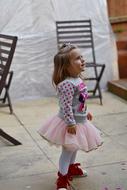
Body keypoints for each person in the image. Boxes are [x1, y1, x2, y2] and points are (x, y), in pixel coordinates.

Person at [38, 43, 103, 190]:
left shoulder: (78, 80)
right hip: (70, 122)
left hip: (80, 120)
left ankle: (71, 168)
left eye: (82, 57)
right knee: (68, 150)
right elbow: (66, 106)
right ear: (67, 66)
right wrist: (71, 123)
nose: (82, 60)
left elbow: (80, 100)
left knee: (74, 148)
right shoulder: (66, 84)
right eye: (78, 58)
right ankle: (62, 179)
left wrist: (86, 111)